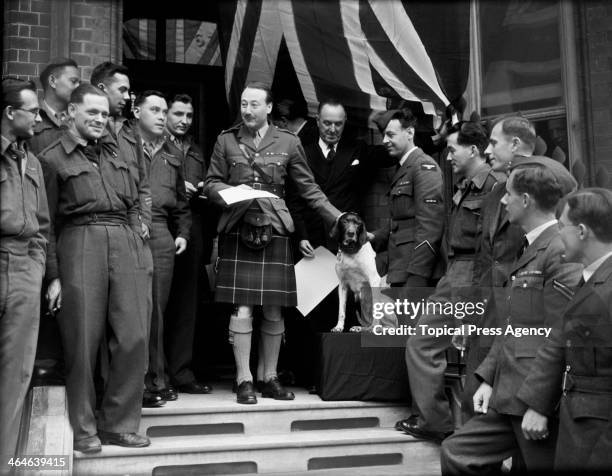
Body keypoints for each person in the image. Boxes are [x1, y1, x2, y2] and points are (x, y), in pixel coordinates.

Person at [203, 82, 341, 405]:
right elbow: (210, 183)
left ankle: (269, 377)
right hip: (238, 225)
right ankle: (244, 379)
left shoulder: (289, 143)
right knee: (244, 306)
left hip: (275, 227)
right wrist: (228, 194)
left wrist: (336, 216)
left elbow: (308, 189)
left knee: (275, 309)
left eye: (254, 105)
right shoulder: (226, 140)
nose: (247, 110)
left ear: (268, 108)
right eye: (243, 104)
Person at [440, 163, 583, 474]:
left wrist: (540, 405)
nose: (503, 202)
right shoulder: (530, 247)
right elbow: (515, 325)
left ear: (527, 200)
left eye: (508, 195)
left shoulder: (559, 250)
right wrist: (489, 379)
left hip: (535, 400)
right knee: (457, 452)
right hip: (511, 392)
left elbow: (562, 335)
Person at [40, 84, 150, 453]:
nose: (101, 120)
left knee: (134, 335)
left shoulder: (116, 151)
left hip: (124, 240)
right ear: (71, 113)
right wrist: (54, 275)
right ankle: (84, 428)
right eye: (93, 113)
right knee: (82, 340)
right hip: (79, 241)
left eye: (105, 114)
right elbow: (46, 223)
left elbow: (134, 199)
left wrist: (137, 237)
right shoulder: (51, 157)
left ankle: (119, 424)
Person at [397, 121, 504, 442]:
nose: (448, 157)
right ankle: (447, 424)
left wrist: (480, 295)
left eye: (453, 149)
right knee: (443, 348)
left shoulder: (494, 186)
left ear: (473, 150)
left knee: (429, 345)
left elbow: (493, 247)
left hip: (473, 277)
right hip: (454, 274)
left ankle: (444, 424)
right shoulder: (465, 185)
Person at [516, 188, 612, 471]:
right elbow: (559, 341)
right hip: (581, 435)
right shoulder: (592, 278)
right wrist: (538, 403)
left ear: (582, 231)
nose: (558, 238)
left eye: (562, 228)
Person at [0, 78, 49, 463]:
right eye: (33, 110)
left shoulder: (30, 160)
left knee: (16, 375)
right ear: (9, 112)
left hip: (23, 267)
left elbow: (42, 225)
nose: (38, 117)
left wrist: (36, 267)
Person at [133, 91, 191, 403]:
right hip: (130, 230)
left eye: (163, 110)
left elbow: (182, 202)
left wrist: (182, 231)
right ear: (136, 111)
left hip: (162, 232)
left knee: (157, 310)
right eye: (154, 109)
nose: (160, 115)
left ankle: (157, 377)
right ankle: (135, 379)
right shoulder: (123, 146)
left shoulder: (173, 154)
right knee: (133, 310)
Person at [164, 93, 213, 395]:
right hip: (162, 224)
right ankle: (156, 375)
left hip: (192, 228)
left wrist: (203, 189)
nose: (184, 121)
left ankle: (181, 372)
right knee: (158, 303)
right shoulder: (155, 144)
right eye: (178, 114)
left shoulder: (195, 151)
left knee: (186, 304)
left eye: (189, 115)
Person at [370, 107, 445, 287]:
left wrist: (417, 278)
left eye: (390, 134)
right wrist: (372, 237)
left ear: (410, 132)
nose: (385, 140)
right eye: (383, 135)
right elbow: (401, 221)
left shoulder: (423, 166)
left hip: (416, 275)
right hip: (401, 270)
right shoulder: (405, 167)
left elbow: (430, 227)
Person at [28, 58, 80, 155]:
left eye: (79, 83)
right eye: (73, 81)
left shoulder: (80, 118)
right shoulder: (30, 117)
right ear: (52, 81)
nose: (78, 87)